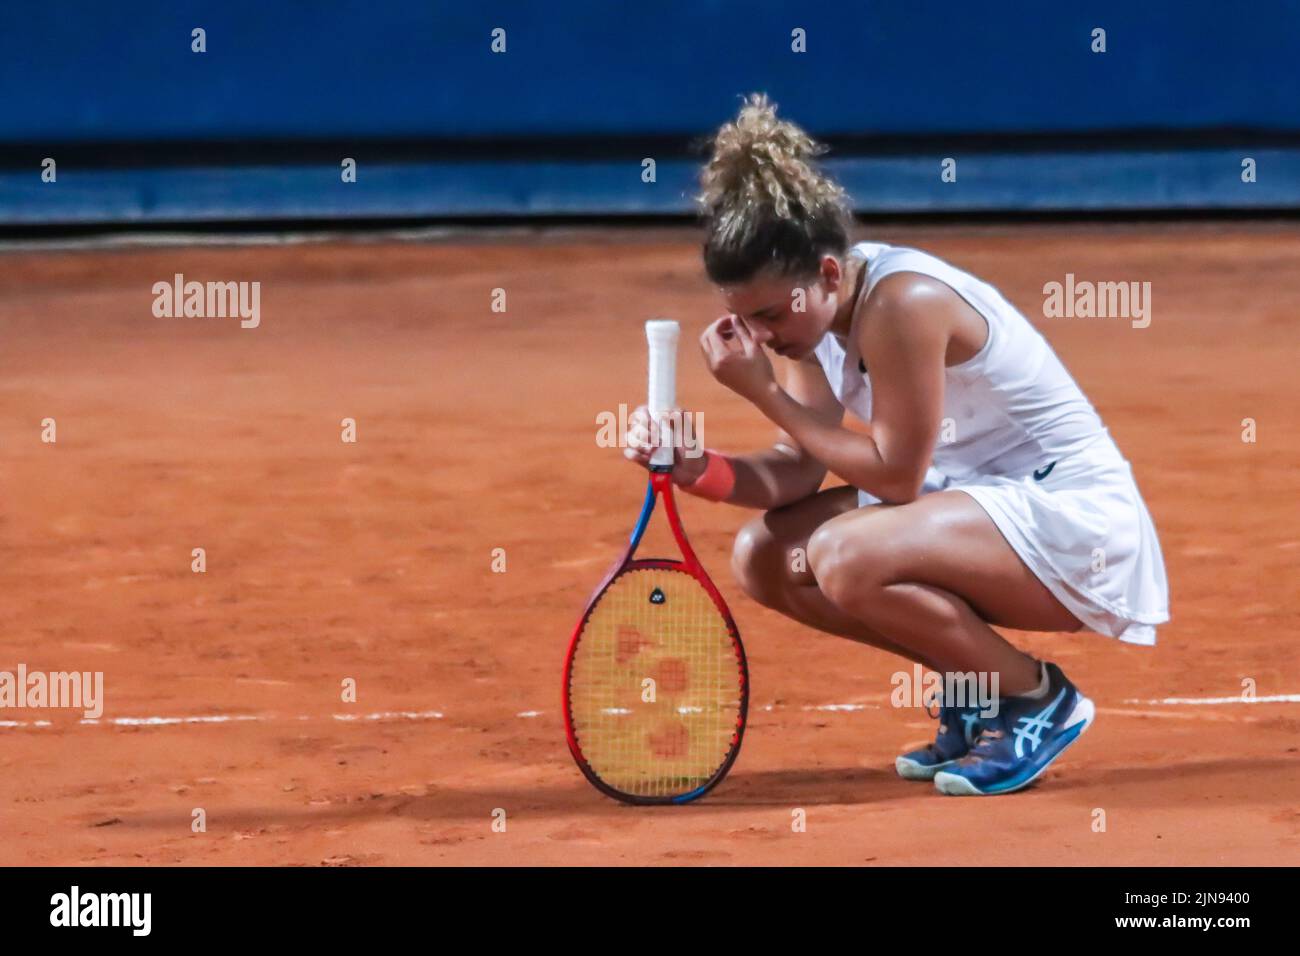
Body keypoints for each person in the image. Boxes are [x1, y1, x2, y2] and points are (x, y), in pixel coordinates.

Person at [623, 93, 1170, 796]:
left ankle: (1034, 698)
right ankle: (977, 688)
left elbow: (897, 477)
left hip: (1071, 521)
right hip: (970, 509)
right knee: (765, 556)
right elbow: (794, 472)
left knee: (843, 553)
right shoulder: (807, 323)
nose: (758, 335)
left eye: (766, 315)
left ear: (827, 274)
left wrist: (763, 393)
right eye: (742, 319)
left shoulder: (902, 304)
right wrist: (697, 466)